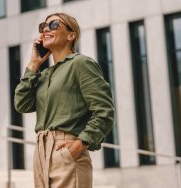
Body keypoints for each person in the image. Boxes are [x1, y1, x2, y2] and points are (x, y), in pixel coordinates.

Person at [14, 12, 114, 188]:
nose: (45, 28)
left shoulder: (81, 63)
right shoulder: (44, 75)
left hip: (66, 150)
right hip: (41, 153)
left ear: (71, 35)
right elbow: (21, 104)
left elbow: (104, 110)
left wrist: (81, 144)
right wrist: (33, 65)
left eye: (53, 25)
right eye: (43, 26)